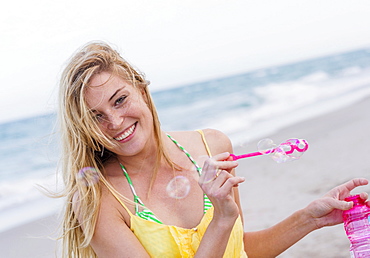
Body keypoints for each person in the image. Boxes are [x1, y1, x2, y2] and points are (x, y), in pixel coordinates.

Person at [57, 41, 369, 257]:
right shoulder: (96, 199)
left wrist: (311, 218)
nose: (114, 121)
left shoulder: (212, 145)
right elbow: (225, 229)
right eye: (95, 117)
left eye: (120, 99)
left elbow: (242, 251)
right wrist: (221, 219)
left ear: (140, 88)